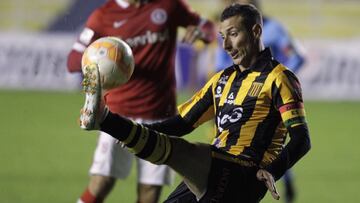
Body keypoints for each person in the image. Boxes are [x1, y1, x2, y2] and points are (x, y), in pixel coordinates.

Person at [79, 3, 311, 202]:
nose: (226, 45)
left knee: (186, 150)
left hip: (247, 174)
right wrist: (145, 131)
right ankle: (109, 121)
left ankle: (105, 119)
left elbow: (302, 139)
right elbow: (182, 122)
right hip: (215, 172)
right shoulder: (222, 79)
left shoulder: (280, 78)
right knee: (184, 150)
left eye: (233, 34)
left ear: (256, 31)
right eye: (222, 37)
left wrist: (272, 170)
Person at [67, 0, 216, 202]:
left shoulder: (168, 5)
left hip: (161, 116)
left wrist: (202, 33)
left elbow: (207, 28)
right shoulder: (103, 15)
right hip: (117, 114)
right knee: (101, 182)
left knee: (150, 192)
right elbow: (73, 59)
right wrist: (98, 60)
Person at [215, 1, 306, 202]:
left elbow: (298, 57)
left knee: (265, 143)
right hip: (235, 98)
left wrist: (279, 80)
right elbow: (220, 63)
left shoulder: (274, 28)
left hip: (266, 97)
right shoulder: (229, 31)